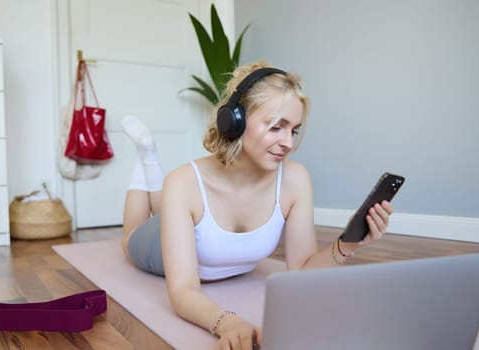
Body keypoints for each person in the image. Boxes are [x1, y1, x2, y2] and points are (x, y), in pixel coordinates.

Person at [118, 61, 394, 350]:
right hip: (158, 246)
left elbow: (301, 270)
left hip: (190, 217)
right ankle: (146, 156)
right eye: (277, 127)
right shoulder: (183, 181)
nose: (288, 142)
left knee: (169, 208)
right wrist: (228, 323)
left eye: (294, 131)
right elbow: (183, 289)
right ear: (235, 120)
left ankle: (153, 170)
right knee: (130, 237)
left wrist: (349, 242)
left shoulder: (296, 180)